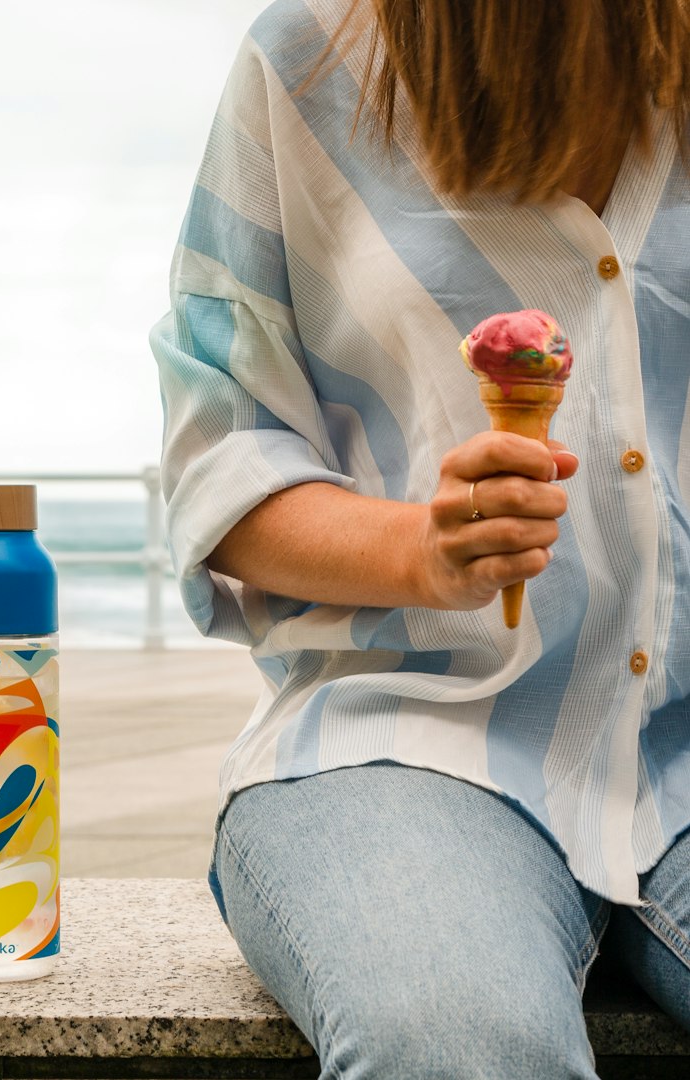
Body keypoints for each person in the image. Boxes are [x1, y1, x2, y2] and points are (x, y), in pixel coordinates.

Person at [149, 0, 690, 1075]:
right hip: (403, 736)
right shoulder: (305, 65)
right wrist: (421, 551)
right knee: (456, 1045)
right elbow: (223, 453)